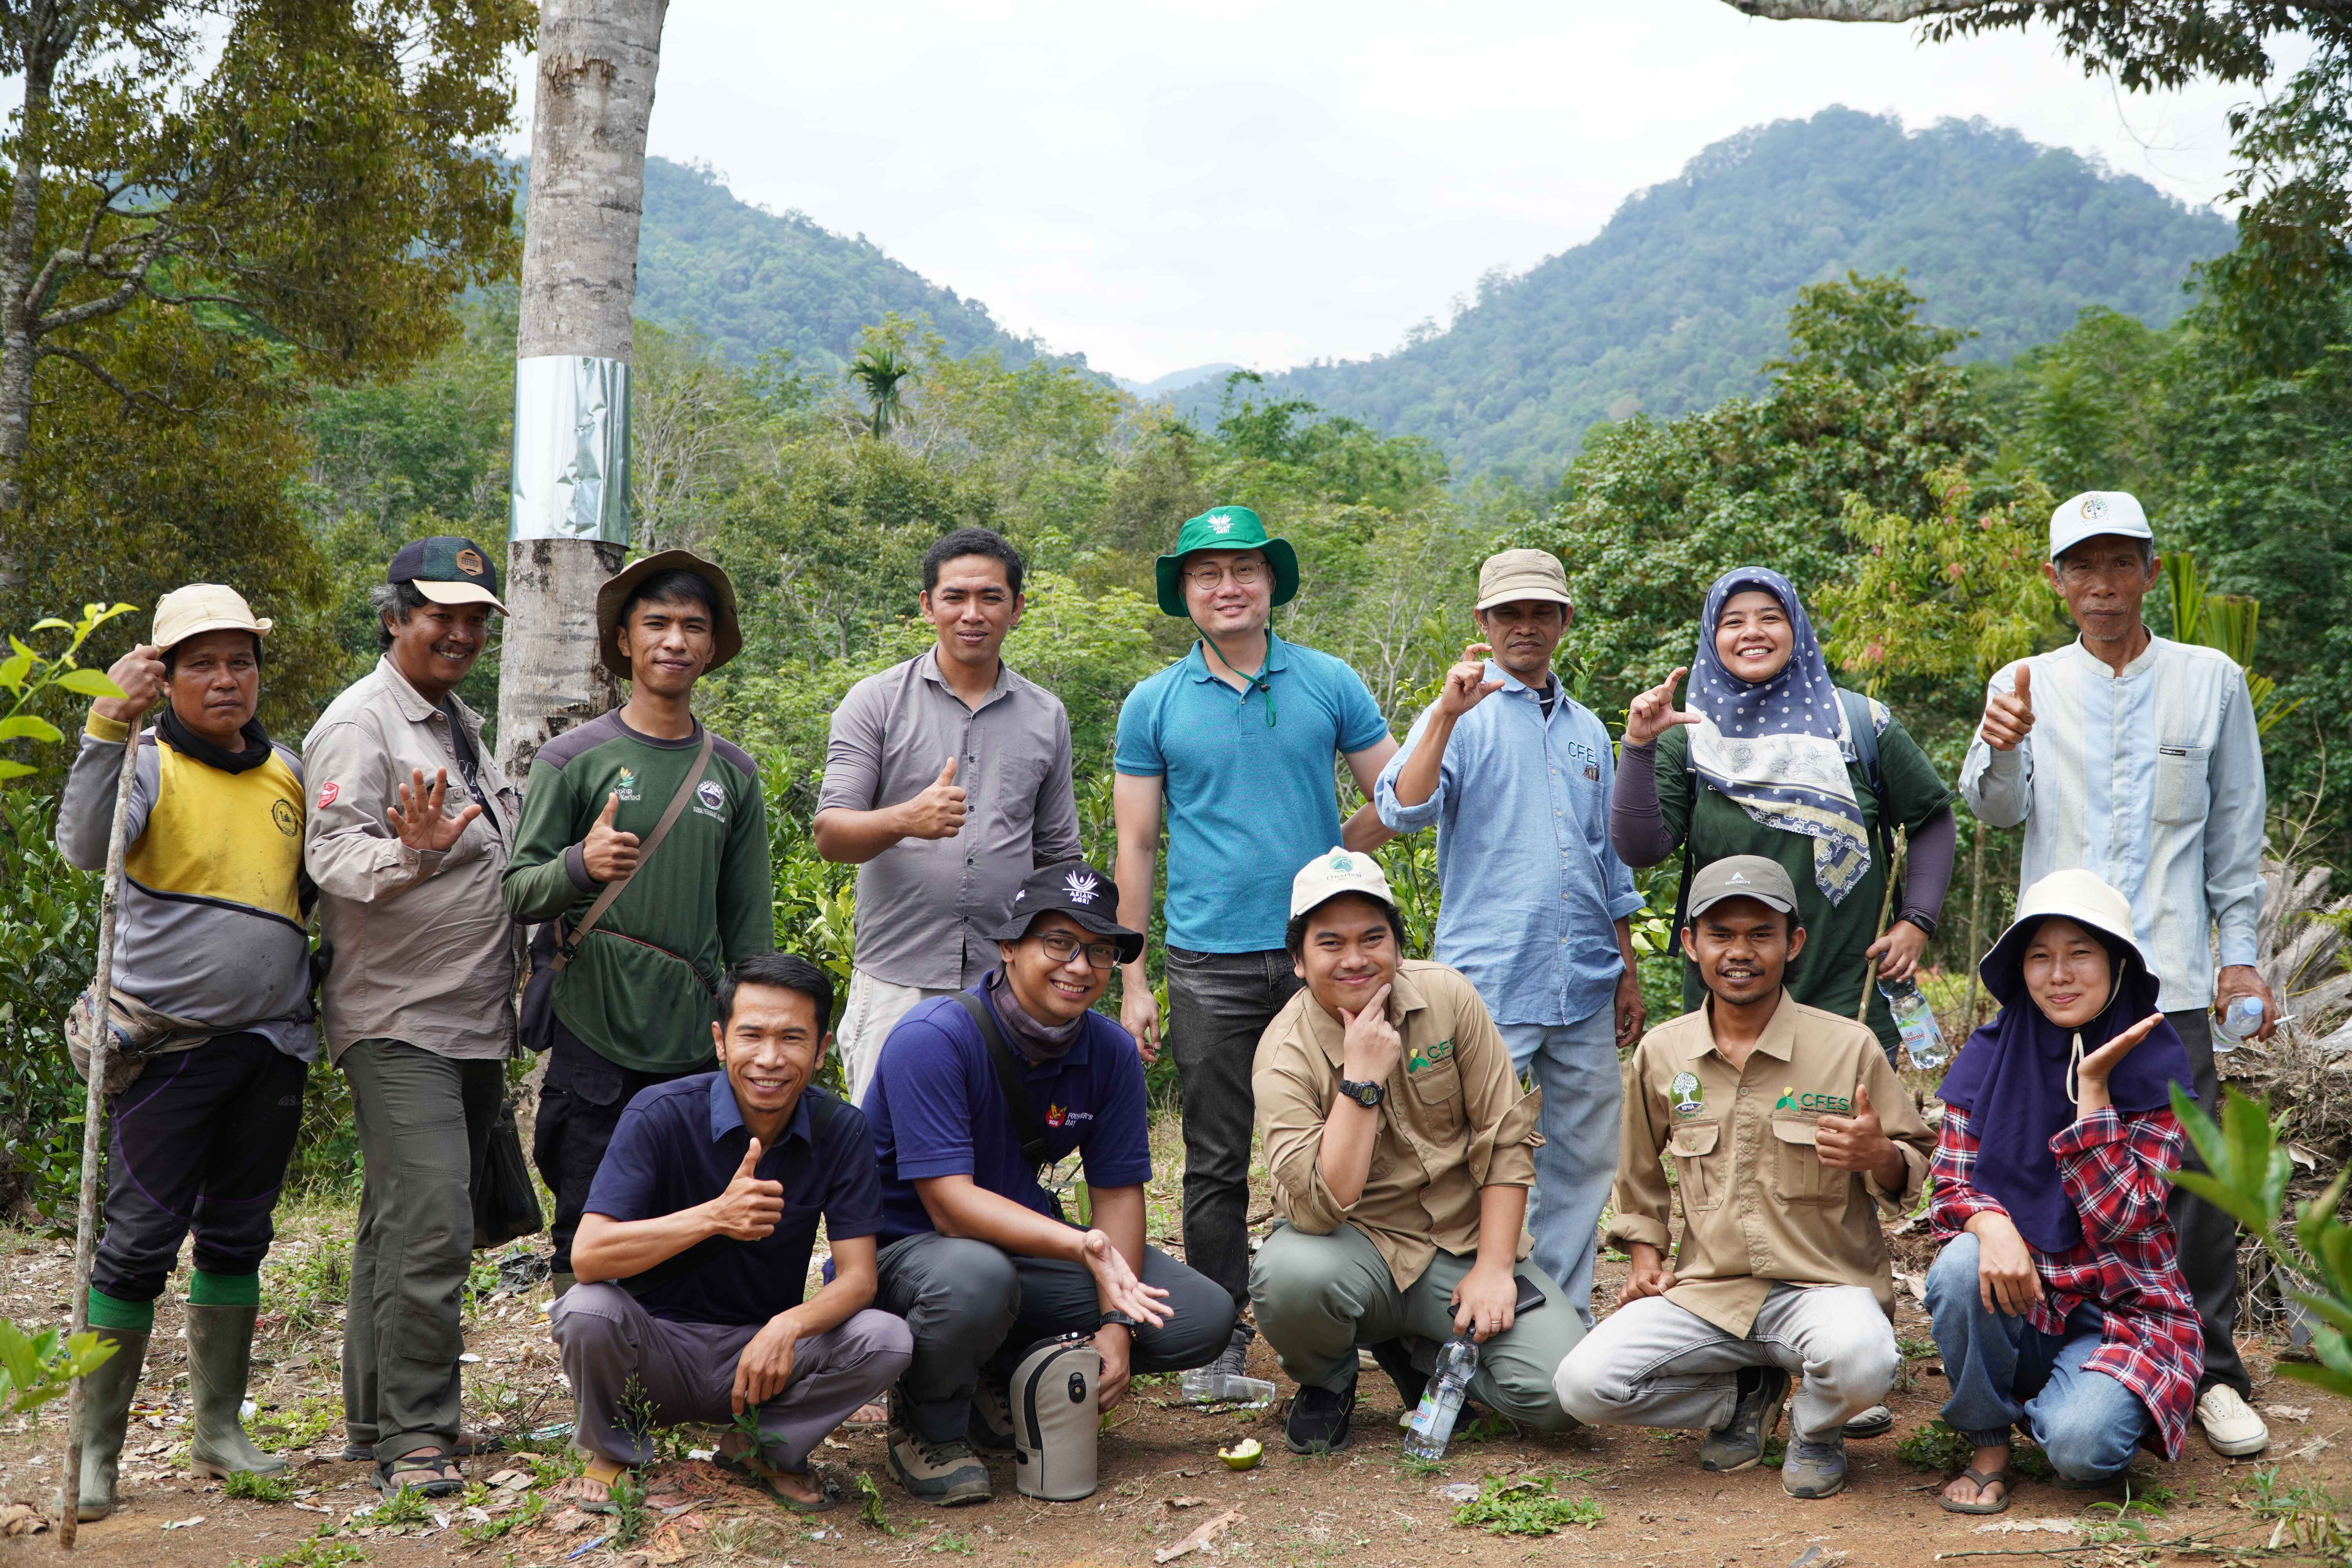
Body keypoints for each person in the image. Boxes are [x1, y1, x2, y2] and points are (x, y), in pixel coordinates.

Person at [1960, 490, 2273, 1459]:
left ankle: (2209, 1369)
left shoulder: (2209, 680)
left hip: (2169, 971)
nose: (2101, 586)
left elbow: (2234, 827)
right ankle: (2064, 1357)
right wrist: (1997, 741)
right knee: (2046, 1159)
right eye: (2080, 568)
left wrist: (2240, 950)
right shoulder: (2027, 682)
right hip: (2053, 975)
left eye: (2119, 563)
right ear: (2056, 581)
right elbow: (1993, 809)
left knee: (2194, 1178)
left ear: (2148, 569)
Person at [1113, 504, 1397, 1381]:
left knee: (1356, 1126)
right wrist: (1134, 975)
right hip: (1208, 958)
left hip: (1329, 959)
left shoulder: (1328, 680)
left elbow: (1397, 795)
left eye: (1245, 570)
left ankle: (1364, 1319)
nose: (1227, 586)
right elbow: (1136, 843)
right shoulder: (1154, 702)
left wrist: (1332, 858)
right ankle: (1217, 1336)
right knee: (1216, 1153)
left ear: (1271, 583)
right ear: (1185, 593)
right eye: (1208, 573)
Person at [1553, 857, 1933, 1501]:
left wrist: (1880, 1156)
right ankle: (1739, 1396)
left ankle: (1816, 1428)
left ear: (1794, 943)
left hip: (1825, 1288)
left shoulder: (1848, 1048)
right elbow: (1640, 1173)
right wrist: (1646, 1258)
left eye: (1761, 934)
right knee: (1583, 1385)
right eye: (1721, 934)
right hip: (1709, 1295)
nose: (1740, 952)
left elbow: (1913, 1164)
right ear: (1691, 945)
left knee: (1866, 1362)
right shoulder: (1663, 1053)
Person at [863, 860, 1234, 1505]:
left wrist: (1117, 1320)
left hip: (1019, 1245)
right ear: (1009, 948)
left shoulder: (1110, 1052)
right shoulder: (933, 1039)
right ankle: (929, 1423)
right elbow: (950, 1208)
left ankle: (997, 1376)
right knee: (976, 1278)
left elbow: (1117, 1194)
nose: (1080, 966)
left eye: (1098, 951)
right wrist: (1081, 1250)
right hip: (906, 1255)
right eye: (1058, 943)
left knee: (1200, 1318)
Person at [56, 585, 312, 1520]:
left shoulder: (287, 765)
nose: (225, 679)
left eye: (240, 660)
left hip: (273, 1046)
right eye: (201, 662)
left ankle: (218, 1428)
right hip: (166, 1046)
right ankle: (93, 1451)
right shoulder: (144, 759)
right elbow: (86, 850)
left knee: (240, 1235)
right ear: (164, 675)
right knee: (135, 1247)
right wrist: (101, 729)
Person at [1374, 548, 1645, 1323]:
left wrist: (1627, 969)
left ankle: (1557, 1317)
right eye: (1508, 613)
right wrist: (1448, 714)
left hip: (1586, 980)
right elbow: (1401, 807)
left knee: (1585, 1160)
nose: (1525, 625)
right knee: (1470, 1154)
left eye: (1541, 611)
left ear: (1563, 620)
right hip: (1490, 981)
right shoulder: (1459, 713)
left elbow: (1609, 859)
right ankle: (1455, 1315)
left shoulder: (1591, 730)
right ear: (1483, 624)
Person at [303, 537, 520, 1494]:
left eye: (475, 617)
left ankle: (373, 1417)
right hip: (399, 1019)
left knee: (399, 1223)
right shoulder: (362, 722)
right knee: (433, 1224)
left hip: (471, 1017)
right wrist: (414, 856)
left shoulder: (455, 722)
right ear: (395, 618)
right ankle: (418, 1436)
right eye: (441, 614)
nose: (461, 632)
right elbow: (335, 858)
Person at [550, 955, 912, 1514]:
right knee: (588, 1309)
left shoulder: (841, 1129)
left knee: (885, 1336)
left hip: (764, 1364)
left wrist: (788, 1326)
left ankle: (759, 1448)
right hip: (655, 1353)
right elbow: (591, 1255)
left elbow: (860, 1279)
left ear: (821, 1050)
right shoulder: (660, 1113)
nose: (770, 1059)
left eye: (793, 1039)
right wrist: (715, 1216)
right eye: (752, 1036)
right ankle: (613, 1450)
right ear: (721, 1041)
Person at [505, 550, 773, 1298]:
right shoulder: (573, 760)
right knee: (586, 1210)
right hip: (592, 1026)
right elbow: (519, 891)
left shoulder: (735, 776)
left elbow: (749, 929)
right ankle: (592, 1382)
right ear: (623, 641)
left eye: (694, 626)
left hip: (692, 1038)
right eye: (655, 623)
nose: (675, 641)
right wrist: (581, 866)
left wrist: (750, 1034)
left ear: (713, 647)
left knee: (690, 1206)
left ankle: (670, 1373)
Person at [1250, 849, 1584, 1453]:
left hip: (1461, 1244)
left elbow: (1505, 1139)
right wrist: (1362, 1081)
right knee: (1288, 1274)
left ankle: (1422, 1351)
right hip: (1356, 1250)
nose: (1355, 959)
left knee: (1563, 1393)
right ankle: (1329, 1382)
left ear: (1397, 946)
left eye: (1372, 937)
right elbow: (1324, 1207)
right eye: (1330, 944)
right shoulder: (1284, 1055)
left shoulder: (1449, 999)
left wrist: (1493, 1268)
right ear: (1298, 961)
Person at [1925, 871, 2202, 1514]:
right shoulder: (1989, 1053)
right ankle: (1990, 1440)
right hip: (2017, 1301)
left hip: (2119, 1314)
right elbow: (1949, 1188)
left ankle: (2061, 1402)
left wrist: (2096, 1094)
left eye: (2080, 952)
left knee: (2083, 1448)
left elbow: (2128, 1220)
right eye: (2040, 956)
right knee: (1963, 1260)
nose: (2060, 975)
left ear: (2116, 962)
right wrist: (1989, 1223)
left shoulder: (2158, 1065)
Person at [1612, 566, 1957, 1062]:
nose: (1753, 631)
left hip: (1846, 993)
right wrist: (1639, 745)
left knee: (1843, 1137)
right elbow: (1641, 849)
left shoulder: (1859, 725)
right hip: (1729, 996)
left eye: (1770, 617)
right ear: (1713, 638)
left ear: (1796, 629)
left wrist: (1916, 921)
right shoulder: (1688, 737)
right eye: (1733, 622)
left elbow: (1930, 819)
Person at [815, 527, 1080, 1104]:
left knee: (994, 1147)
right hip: (896, 975)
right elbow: (831, 833)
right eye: (955, 597)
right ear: (927, 606)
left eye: (991, 597)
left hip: (1004, 980)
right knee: (882, 1154)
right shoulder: (876, 701)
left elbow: (1058, 857)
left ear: (1018, 608)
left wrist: (1055, 962)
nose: (972, 614)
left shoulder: (1045, 716)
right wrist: (906, 819)